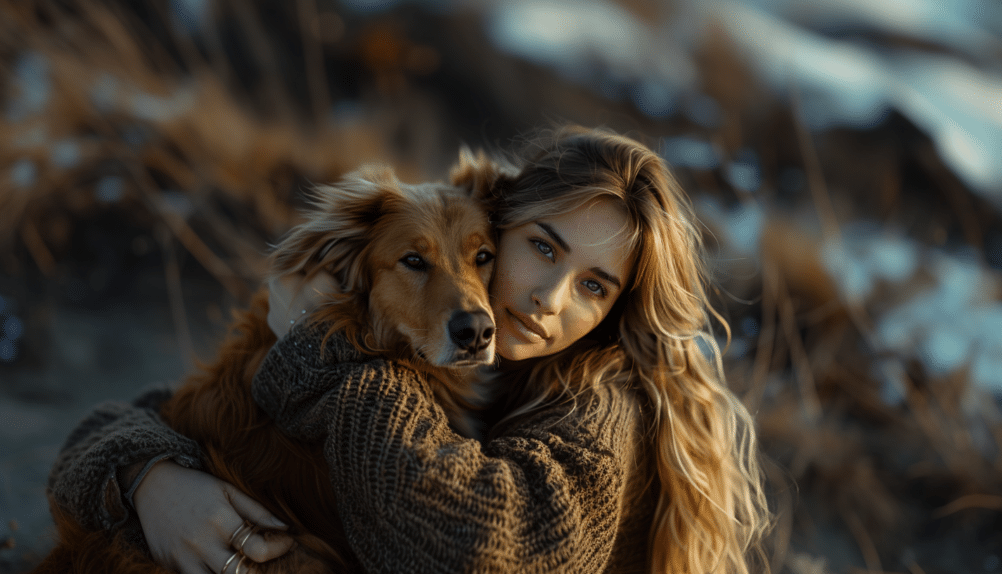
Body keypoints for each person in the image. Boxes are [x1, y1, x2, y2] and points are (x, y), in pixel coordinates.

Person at [46, 125, 771, 573]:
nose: (549, 296)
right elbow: (111, 428)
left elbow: (472, 552)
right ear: (508, 222)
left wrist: (321, 352)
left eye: (593, 286)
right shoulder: (481, 363)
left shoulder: (598, 415)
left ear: (619, 309)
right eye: (540, 249)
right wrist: (149, 478)